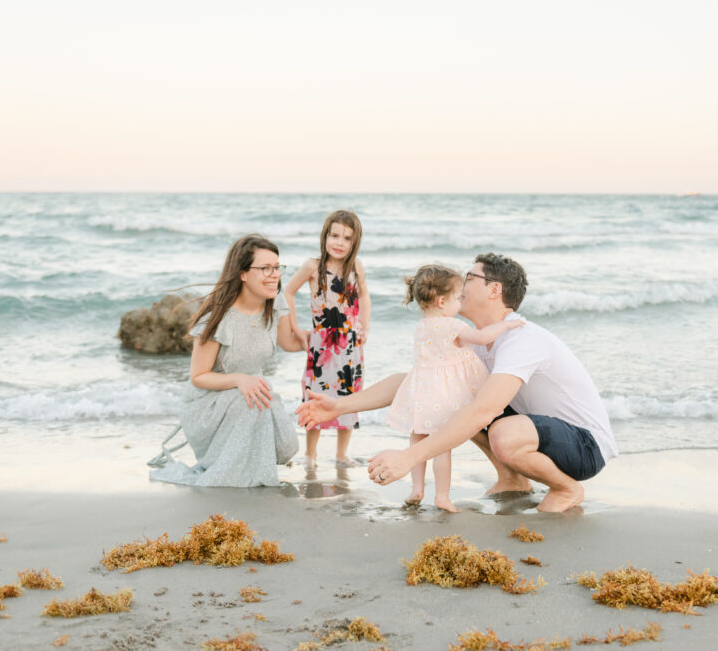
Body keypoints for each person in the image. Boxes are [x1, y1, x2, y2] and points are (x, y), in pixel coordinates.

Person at [298, 253, 617, 512]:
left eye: (470, 278)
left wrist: (409, 457)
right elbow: (416, 384)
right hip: (538, 432)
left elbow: (484, 411)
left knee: (494, 424)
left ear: (494, 290)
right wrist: (337, 407)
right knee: (446, 395)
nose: (460, 284)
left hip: (585, 446)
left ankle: (566, 488)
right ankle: (513, 479)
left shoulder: (522, 339)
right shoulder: (471, 338)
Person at [149, 234, 304, 487]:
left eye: (277, 268)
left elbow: (289, 341)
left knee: (287, 447)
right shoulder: (218, 318)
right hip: (209, 403)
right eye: (265, 268)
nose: (274, 274)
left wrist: (322, 338)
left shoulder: (275, 302)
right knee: (252, 405)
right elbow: (198, 377)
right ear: (243, 273)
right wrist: (239, 379)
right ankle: (224, 462)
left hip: (252, 391)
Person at [387, 264, 524, 512]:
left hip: (420, 390)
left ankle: (416, 489)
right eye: (457, 299)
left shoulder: (421, 326)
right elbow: (483, 338)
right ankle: (441, 496)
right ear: (441, 301)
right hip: (443, 394)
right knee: (441, 445)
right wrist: (505, 326)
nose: (460, 304)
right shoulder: (452, 325)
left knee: (417, 439)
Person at [283, 210, 370, 469]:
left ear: (354, 243)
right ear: (325, 236)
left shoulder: (356, 266)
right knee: (315, 397)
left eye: (346, 238)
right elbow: (287, 292)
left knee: (348, 398)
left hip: (351, 344)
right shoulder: (313, 266)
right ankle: (311, 455)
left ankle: (342, 454)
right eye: (334, 235)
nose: (339, 242)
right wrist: (296, 328)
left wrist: (365, 327)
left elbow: (364, 297)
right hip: (321, 343)